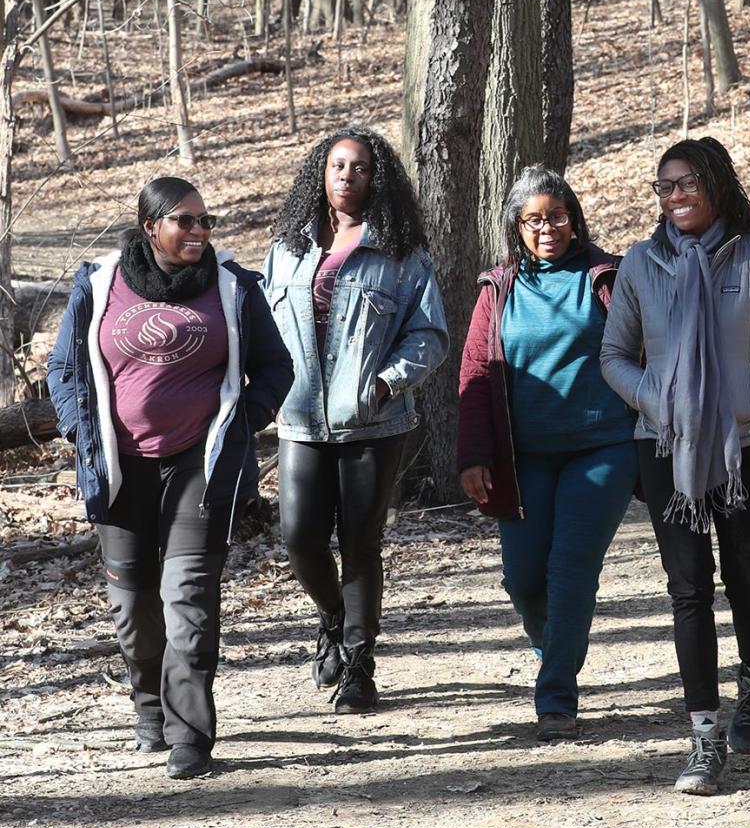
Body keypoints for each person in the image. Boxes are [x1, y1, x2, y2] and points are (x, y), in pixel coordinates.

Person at [600, 136, 750, 795]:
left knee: (749, 582)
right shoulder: (642, 265)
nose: (674, 196)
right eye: (664, 186)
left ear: (717, 186)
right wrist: (656, 403)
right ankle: (704, 737)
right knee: (688, 588)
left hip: (745, 449)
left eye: (686, 183)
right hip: (664, 446)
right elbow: (614, 356)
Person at [47, 176, 293, 781]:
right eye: (184, 221)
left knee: (188, 598)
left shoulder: (232, 286)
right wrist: (83, 434)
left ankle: (190, 733)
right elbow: (64, 366)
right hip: (119, 466)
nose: (199, 231)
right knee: (132, 605)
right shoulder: (100, 284)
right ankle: (149, 704)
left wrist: (239, 423)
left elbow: (274, 367)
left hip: (198, 465)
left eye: (204, 220)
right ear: (149, 226)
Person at [263, 126, 448, 714]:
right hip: (299, 418)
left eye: (361, 167)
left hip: (373, 420)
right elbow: (265, 328)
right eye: (338, 165)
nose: (347, 175)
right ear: (321, 173)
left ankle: (359, 667)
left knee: (361, 543)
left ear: (377, 179)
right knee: (299, 538)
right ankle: (334, 618)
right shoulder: (287, 247)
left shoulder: (401, 253)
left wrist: (387, 383)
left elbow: (429, 333)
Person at [457, 164, 638, 742]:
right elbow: (477, 374)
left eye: (557, 216)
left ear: (574, 218)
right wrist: (473, 456)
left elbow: (645, 351)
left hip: (602, 445)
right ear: (516, 226)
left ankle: (556, 694)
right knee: (522, 578)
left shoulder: (607, 277)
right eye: (533, 219)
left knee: (570, 566)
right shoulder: (498, 290)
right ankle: (554, 648)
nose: (547, 228)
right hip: (524, 456)